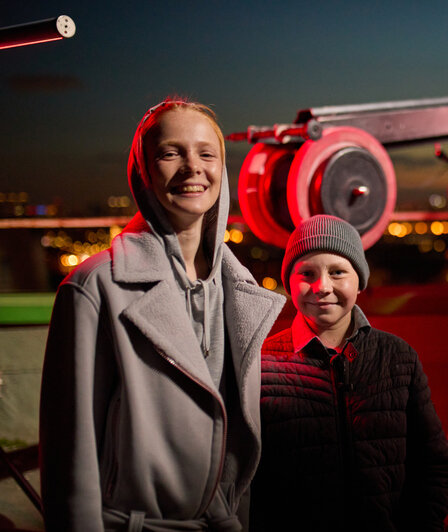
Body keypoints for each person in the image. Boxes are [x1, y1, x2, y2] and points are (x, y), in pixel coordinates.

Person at [39, 97, 286, 531]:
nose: (193, 168)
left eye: (207, 154)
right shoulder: (96, 288)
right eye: (171, 153)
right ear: (143, 172)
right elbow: (68, 464)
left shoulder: (240, 291)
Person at [250, 215, 448, 531]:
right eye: (307, 273)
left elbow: (431, 462)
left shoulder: (398, 357)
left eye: (337, 272)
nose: (322, 287)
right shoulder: (263, 364)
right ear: (289, 282)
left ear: (359, 281)